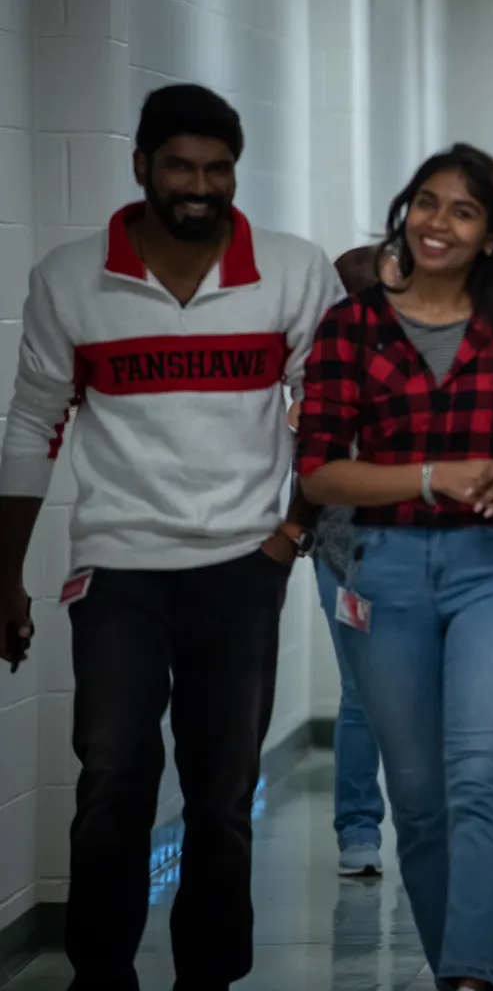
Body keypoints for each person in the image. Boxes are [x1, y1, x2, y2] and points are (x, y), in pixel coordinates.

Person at [0, 84, 340, 990]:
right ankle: (101, 975)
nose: (200, 186)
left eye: (218, 169)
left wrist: (291, 533)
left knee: (222, 796)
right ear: (142, 165)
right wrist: (6, 576)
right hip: (117, 567)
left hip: (243, 565)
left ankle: (209, 978)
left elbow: (330, 414)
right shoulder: (70, 279)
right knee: (113, 776)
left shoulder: (293, 271)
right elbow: (33, 424)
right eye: (181, 167)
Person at [297, 143, 493, 991]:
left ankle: (467, 977)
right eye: (427, 203)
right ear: (405, 212)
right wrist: (431, 477)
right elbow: (319, 473)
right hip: (383, 569)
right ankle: (452, 963)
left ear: (491, 235)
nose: (439, 223)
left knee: (479, 781)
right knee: (417, 800)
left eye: (463, 211)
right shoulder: (352, 326)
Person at [309, 242, 400, 878]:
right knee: (362, 694)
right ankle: (359, 827)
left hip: (427, 548)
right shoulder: (326, 366)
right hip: (344, 554)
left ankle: (433, 825)